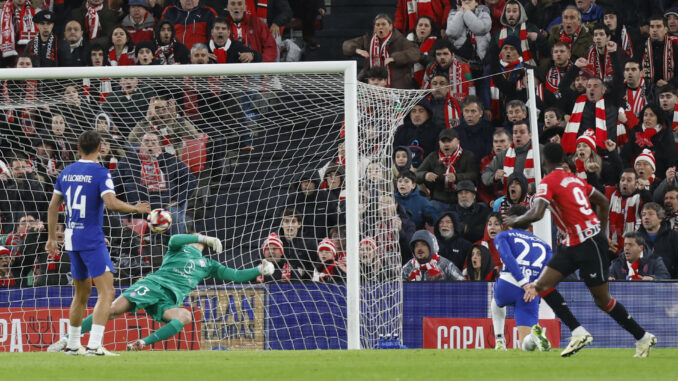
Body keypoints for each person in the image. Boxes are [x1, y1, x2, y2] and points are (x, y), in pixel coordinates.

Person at [505, 142, 657, 358]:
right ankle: (578, 332)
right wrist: (602, 234)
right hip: (575, 242)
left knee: (602, 301)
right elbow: (603, 201)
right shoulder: (574, 179)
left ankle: (642, 337)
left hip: (588, 244)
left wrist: (515, 219)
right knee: (541, 286)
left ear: (544, 161)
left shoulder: (548, 181)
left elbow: (537, 213)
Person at [48, 233, 274, 352]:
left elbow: (235, 276)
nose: (195, 239)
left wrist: (258, 269)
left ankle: (142, 343)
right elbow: (175, 238)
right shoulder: (179, 248)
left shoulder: (208, 265)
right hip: (153, 285)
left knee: (185, 316)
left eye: (199, 239)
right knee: (113, 310)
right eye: (194, 237)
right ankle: (68, 339)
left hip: (169, 300)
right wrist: (201, 237)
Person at [45, 130, 151, 356]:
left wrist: (52, 237)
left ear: (78, 148)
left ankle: (73, 345)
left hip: (72, 238)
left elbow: (53, 206)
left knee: (81, 294)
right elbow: (111, 204)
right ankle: (94, 346)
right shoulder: (101, 173)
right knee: (107, 292)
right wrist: (136, 209)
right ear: (101, 148)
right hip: (92, 238)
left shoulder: (66, 171)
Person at [492, 205, 553, 352]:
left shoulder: (504, 235)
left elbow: (508, 258)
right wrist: (535, 287)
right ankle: (533, 337)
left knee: (496, 301)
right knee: (525, 342)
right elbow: (550, 271)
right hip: (531, 292)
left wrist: (523, 282)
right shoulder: (545, 246)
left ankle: (500, 341)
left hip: (509, 284)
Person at [115, 132, 196, 236]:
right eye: (146, 141)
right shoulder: (128, 160)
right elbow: (113, 183)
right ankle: (124, 250)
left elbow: (190, 179)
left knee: (174, 215)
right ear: (141, 145)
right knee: (115, 217)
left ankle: (177, 250)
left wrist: (177, 199)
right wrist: (115, 203)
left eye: (154, 142)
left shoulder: (170, 159)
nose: (150, 145)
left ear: (159, 146)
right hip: (135, 207)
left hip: (165, 208)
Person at [342, 13, 420, 89]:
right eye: (377, 25)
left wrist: (394, 58)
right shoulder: (368, 39)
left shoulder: (400, 40)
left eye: (383, 24)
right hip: (372, 84)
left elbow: (415, 53)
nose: (380, 27)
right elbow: (346, 45)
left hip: (396, 85)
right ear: (374, 28)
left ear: (390, 27)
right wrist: (357, 50)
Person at [415, 128, 477, 211]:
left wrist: (457, 177)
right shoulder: (433, 156)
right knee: (430, 207)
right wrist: (425, 175)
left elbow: (474, 175)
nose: (446, 144)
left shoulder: (468, 155)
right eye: (443, 142)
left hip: (460, 200)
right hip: (439, 200)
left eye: (449, 141)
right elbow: (415, 175)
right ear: (439, 143)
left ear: (458, 142)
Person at [606, 169, 651, 256]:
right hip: (609, 244)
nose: (625, 183)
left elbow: (650, 206)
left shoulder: (641, 197)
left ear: (636, 184)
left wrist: (643, 190)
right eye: (622, 180)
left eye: (629, 180)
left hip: (631, 249)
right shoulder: (611, 192)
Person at [636, 202, 678, 279]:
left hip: (668, 283)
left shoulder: (673, 236)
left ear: (660, 218)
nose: (646, 217)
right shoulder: (635, 238)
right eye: (643, 214)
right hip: (641, 282)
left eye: (651, 214)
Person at [642, 15, 678, 88]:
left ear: (666, 30)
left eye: (658, 26)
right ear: (649, 30)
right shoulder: (641, 47)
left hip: (670, 89)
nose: (654, 30)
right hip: (647, 89)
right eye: (652, 27)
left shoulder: (675, 47)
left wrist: (668, 83)